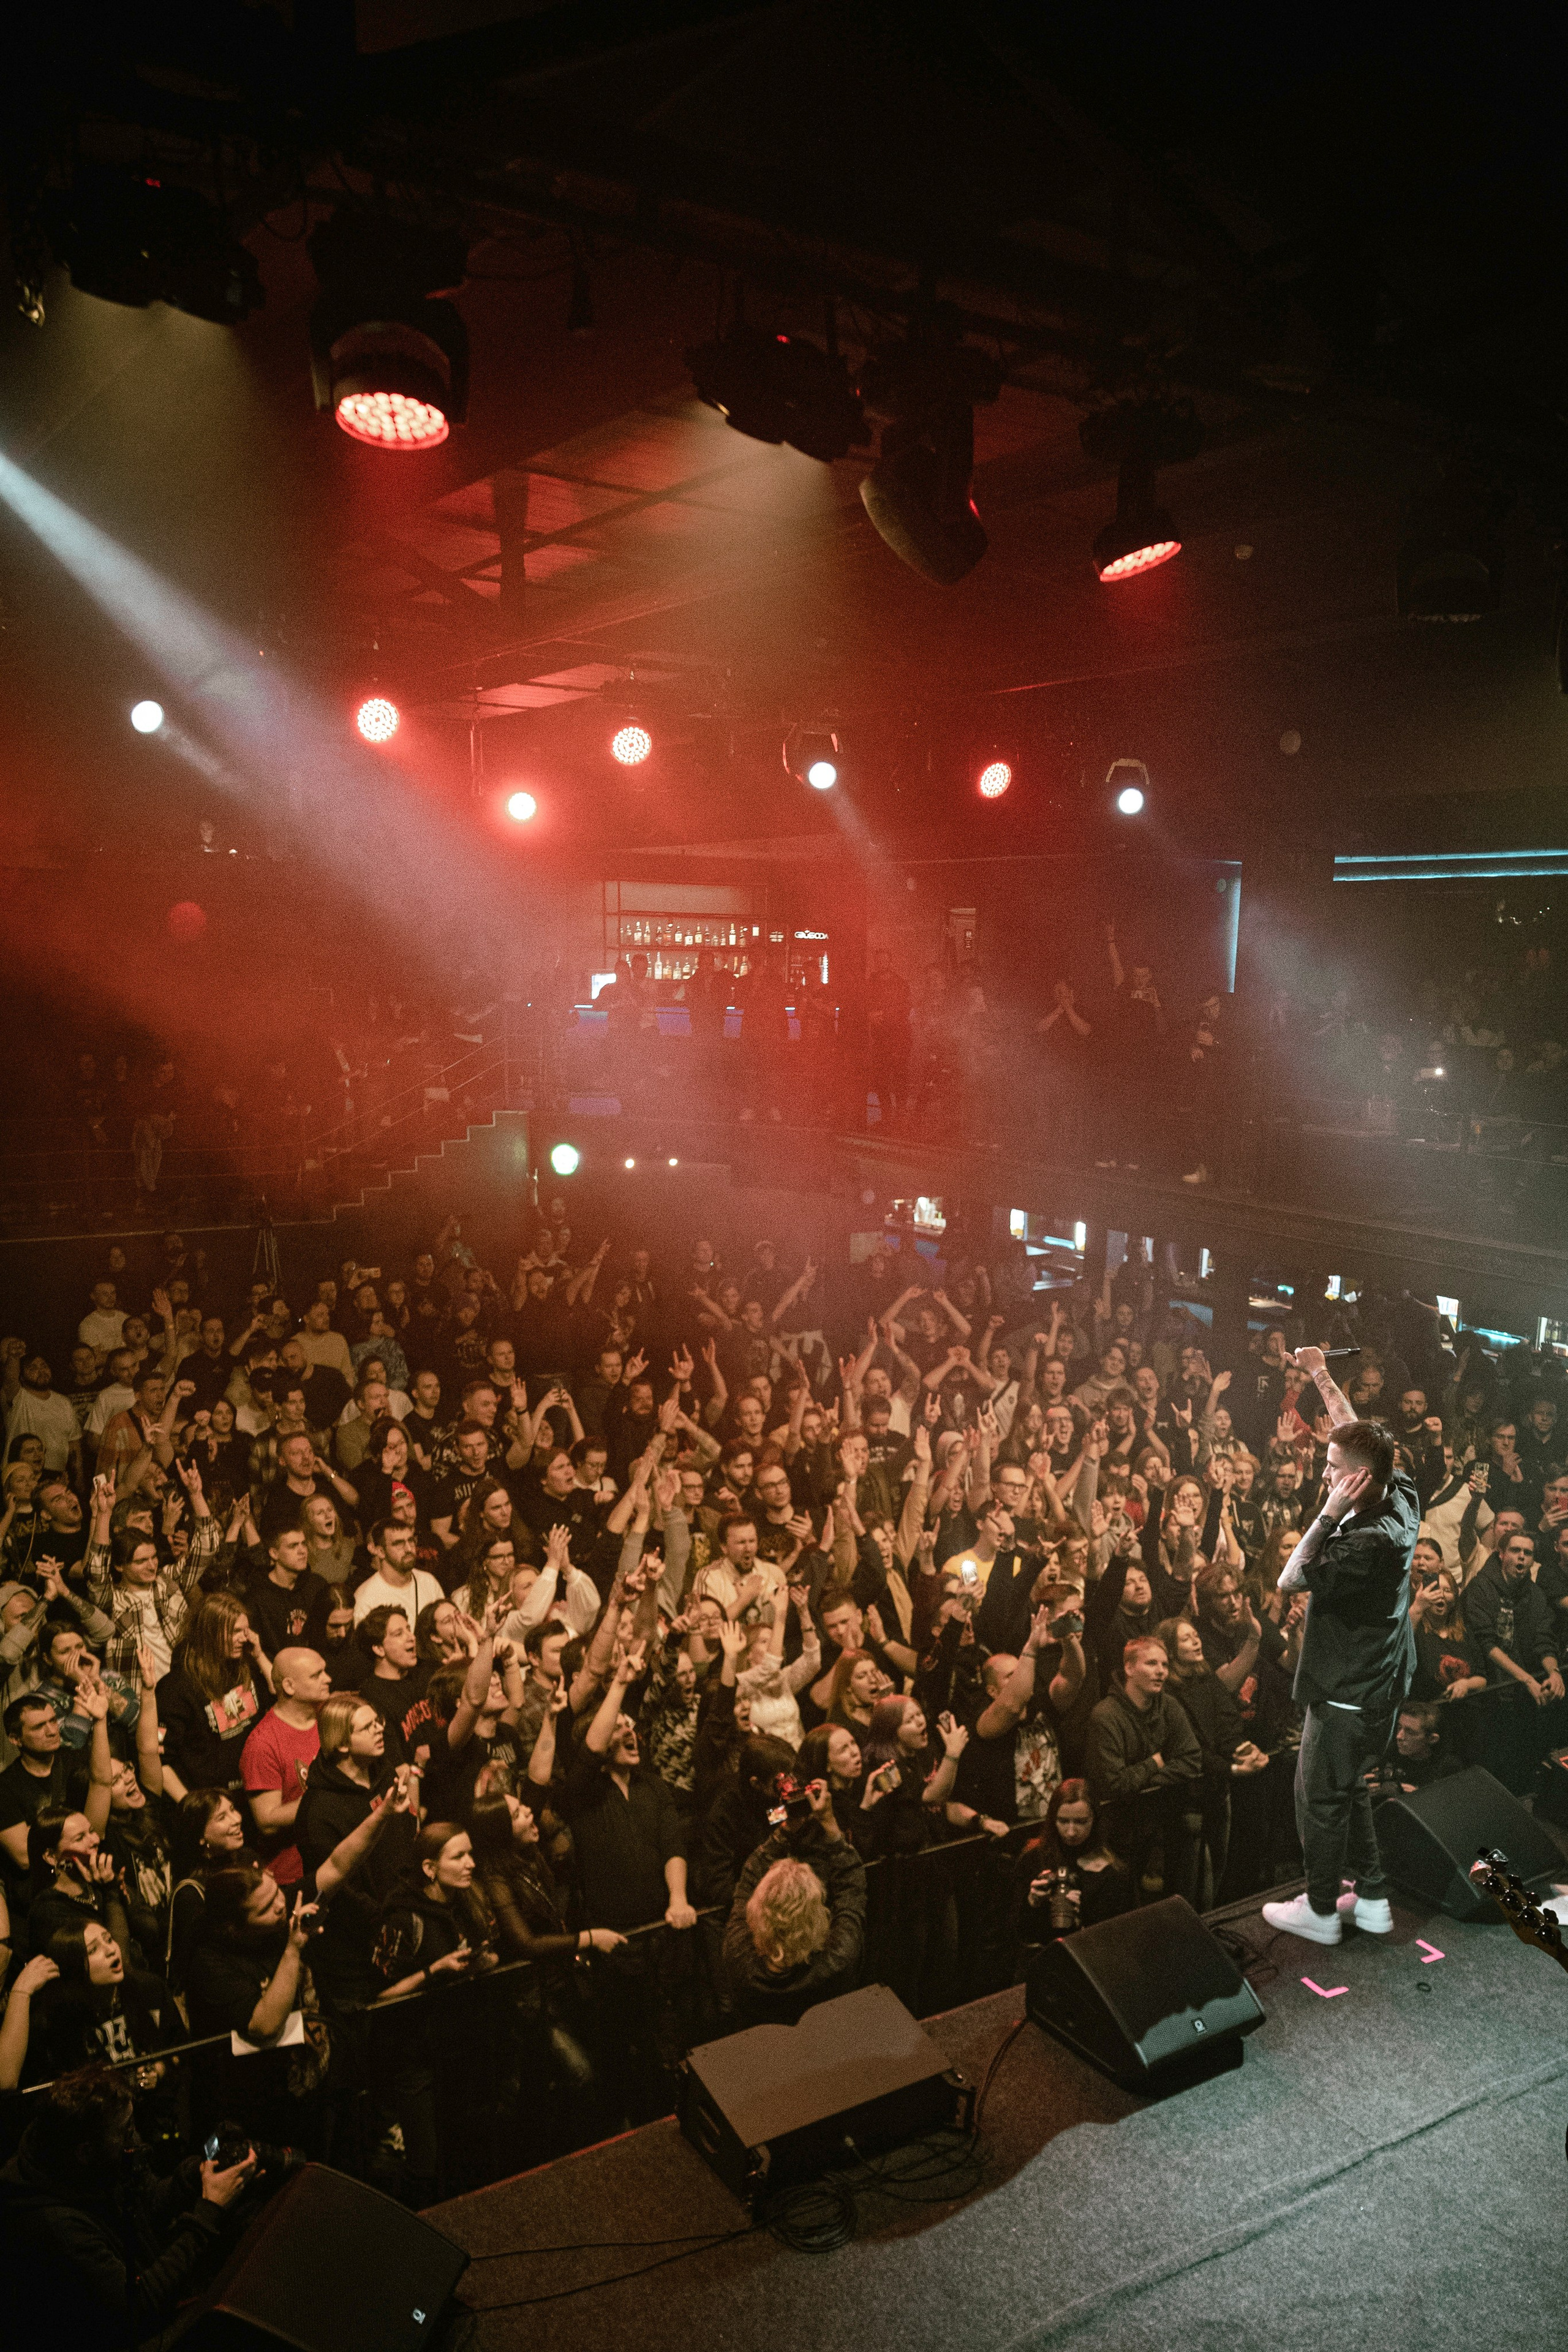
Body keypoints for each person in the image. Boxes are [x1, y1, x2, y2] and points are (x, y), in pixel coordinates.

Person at [1262, 1350, 1418, 1946]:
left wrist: (1326, 1515)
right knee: (1350, 1789)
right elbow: (1354, 1437)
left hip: (1348, 1694)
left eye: (1332, 1469)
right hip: (1380, 1688)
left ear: (1354, 1479)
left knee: (1318, 1800)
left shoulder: (1364, 1542)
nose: (1325, 1473)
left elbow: (1290, 1579)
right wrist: (1319, 1374)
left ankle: (1322, 1911)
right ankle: (1373, 1896)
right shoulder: (1398, 1494)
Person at [0, 2063, 262, 2339]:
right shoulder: (56, 2226)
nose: (135, 2140)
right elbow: (137, 2305)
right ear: (87, 2152)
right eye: (126, 2132)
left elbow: (148, 2200)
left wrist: (193, 2177)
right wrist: (209, 2212)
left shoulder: (93, 2164)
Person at [722, 1778, 868, 2025]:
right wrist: (831, 1826)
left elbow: (747, 1881)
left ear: (757, 1911)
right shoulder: (839, 1959)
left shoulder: (739, 1959)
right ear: (819, 1916)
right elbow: (852, 1888)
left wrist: (785, 1831)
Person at [1014, 1779, 1133, 1945]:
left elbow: (1118, 1938)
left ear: (1095, 1820)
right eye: (1063, 1821)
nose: (1071, 1832)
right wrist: (1032, 1902)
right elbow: (1016, 1932)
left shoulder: (1112, 1871)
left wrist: (1081, 1917)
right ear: (1053, 1819)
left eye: (1081, 1822)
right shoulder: (1034, 1858)